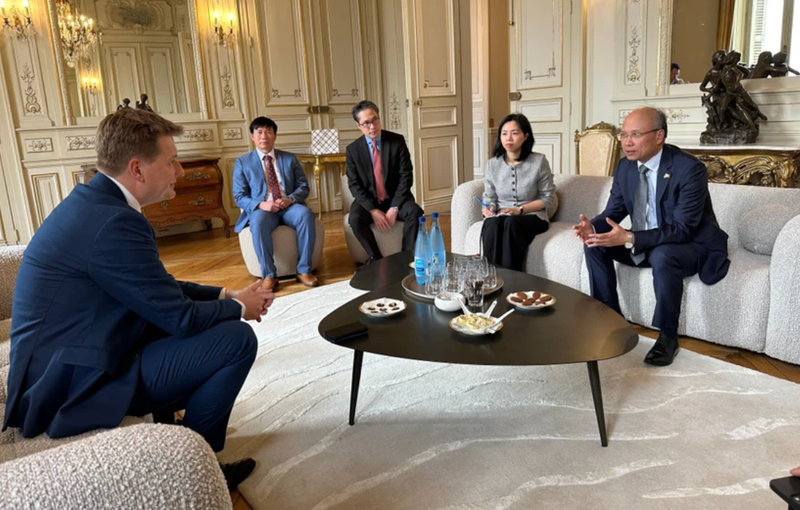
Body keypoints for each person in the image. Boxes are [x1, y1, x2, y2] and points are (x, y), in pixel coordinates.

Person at [2, 108, 272, 491]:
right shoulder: (114, 222)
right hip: (67, 386)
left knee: (202, 322)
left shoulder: (95, 203)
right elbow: (179, 317)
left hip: (63, 360)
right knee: (235, 340)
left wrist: (226, 294)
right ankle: (196, 470)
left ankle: (171, 433)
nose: (180, 170)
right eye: (172, 161)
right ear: (138, 169)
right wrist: (241, 308)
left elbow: (154, 286)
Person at [573, 107, 730, 367]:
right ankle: (611, 321)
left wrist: (631, 238)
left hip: (692, 245)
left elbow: (682, 229)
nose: (627, 142)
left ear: (659, 136)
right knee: (595, 243)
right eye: (624, 134)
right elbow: (613, 211)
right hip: (647, 240)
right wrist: (592, 227)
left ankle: (668, 337)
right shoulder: (625, 167)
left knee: (663, 253)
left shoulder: (690, 169)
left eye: (635, 134)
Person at [233, 116, 318, 290]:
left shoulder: (289, 158)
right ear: (252, 136)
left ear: (275, 135)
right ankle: (269, 275)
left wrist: (290, 199)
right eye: (259, 132)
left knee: (306, 215)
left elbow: (303, 186)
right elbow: (239, 196)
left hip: (289, 207)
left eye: (268, 131)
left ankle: (304, 270)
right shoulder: (243, 162)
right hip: (263, 209)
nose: (264, 136)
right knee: (257, 221)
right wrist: (262, 204)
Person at [345, 100, 424, 266]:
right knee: (355, 218)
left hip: (396, 198)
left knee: (415, 212)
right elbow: (354, 184)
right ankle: (376, 259)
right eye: (366, 123)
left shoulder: (397, 141)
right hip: (370, 201)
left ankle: (406, 256)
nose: (372, 126)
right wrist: (372, 210)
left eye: (375, 120)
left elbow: (406, 176)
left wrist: (394, 207)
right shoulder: (353, 150)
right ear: (358, 125)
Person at [480, 113, 556, 271]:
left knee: (511, 223)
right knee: (492, 224)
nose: (508, 138)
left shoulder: (539, 161)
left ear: (525, 136)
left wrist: (519, 210)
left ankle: (511, 279)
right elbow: (490, 197)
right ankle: (489, 277)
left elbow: (547, 199)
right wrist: (490, 208)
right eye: (504, 133)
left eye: (514, 133)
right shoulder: (492, 164)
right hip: (501, 215)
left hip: (532, 216)